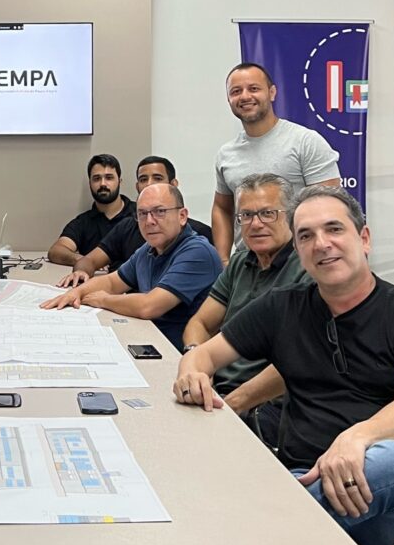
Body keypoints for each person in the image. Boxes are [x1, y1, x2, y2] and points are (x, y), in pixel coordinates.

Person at [175, 184, 394, 545]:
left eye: (334, 229)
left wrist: (355, 439)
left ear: (364, 239)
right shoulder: (282, 308)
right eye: (306, 236)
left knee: (392, 458)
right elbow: (203, 355)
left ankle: (243, 543)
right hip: (300, 481)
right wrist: (192, 373)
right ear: (299, 252)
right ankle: (268, 534)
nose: (321, 244)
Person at [181, 174, 310, 446]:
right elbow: (200, 323)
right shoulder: (240, 262)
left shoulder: (307, 268)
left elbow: (299, 360)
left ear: (291, 215)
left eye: (267, 213)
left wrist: (233, 403)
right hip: (220, 393)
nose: (256, 224)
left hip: (268, 406)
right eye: (247, 215)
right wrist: (197, 365)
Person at [42, 183, 222, 351]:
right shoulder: (148, 249)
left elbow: (149, 306)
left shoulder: (198, 252)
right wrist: (76, 293)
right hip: (151, 339)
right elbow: (112, 282)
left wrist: (103, 300)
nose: (149, 221)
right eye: (142, 213)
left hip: (181, 354)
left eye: (159, 211)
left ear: (182, 216)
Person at [212, 62, 341, 264]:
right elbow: (222, 208)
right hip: (248, 264)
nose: (245, 96)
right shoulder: (226, 154)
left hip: (300, 263)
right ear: (229, 99)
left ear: (272, 93)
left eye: (254, 88)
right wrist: (223, 260)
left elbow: (330, 207)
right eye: (236, 91)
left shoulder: (305, 142)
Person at [58, 156, 213, 287]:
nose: (149, 184)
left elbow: (152, 303)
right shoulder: (137, 242)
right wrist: (81, 275)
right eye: (143, 179)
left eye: (157, 178)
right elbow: (95, 266)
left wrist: (100, 298)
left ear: (182, 216)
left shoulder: (199, 239)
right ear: (137, 186)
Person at [47, 153, 137, 265]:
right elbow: (56, 251)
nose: (103, 184)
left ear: (120, 181)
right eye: (97, 179)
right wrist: (86, 261)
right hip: (94, 276)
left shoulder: (140, 214)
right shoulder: (83, 222)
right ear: (90, 184)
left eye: (109, 178)